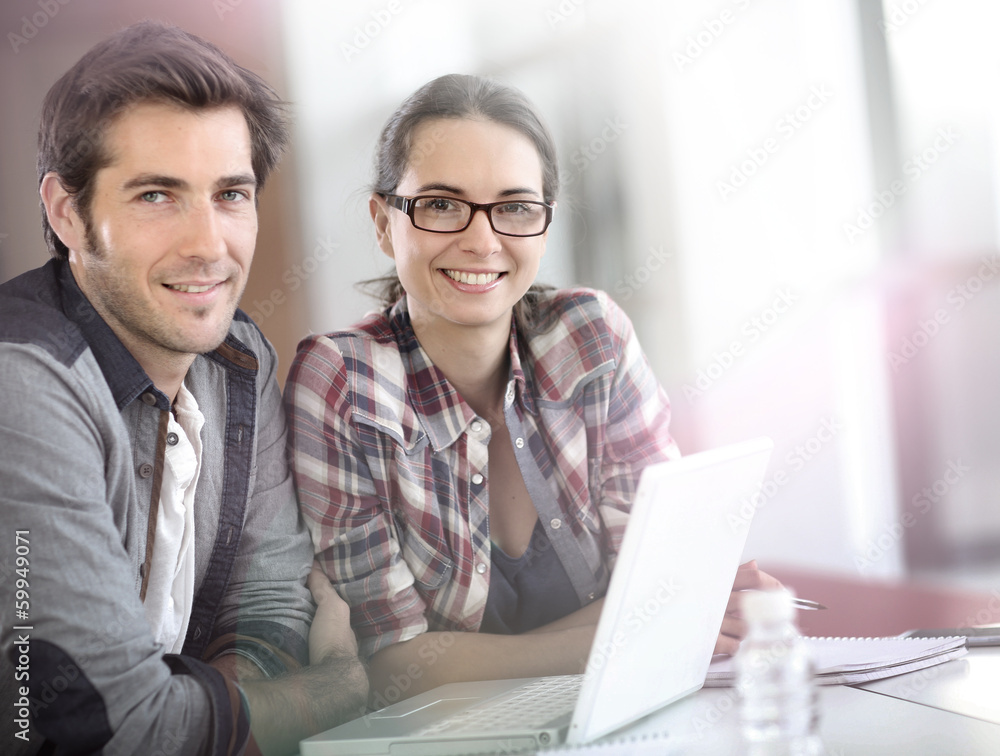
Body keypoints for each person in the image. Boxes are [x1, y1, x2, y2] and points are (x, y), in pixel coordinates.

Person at [284, 74, 780, 707]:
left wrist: (686, 609)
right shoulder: (342, 382)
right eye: (441, 204)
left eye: (515, 208)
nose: (481, 241)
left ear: (544, 227)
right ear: (384, 223)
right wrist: (636, 630)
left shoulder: (592, 339)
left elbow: (666, 584)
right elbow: (390, 668)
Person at [0, 21, 366, 755]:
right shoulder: (24, 382)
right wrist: (333, 692)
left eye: (230, 194)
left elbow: (268, 605)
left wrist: (203, 716)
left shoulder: (238, 359)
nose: (207, 245)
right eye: (156, 196)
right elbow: (105, 728)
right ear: (67, 212)